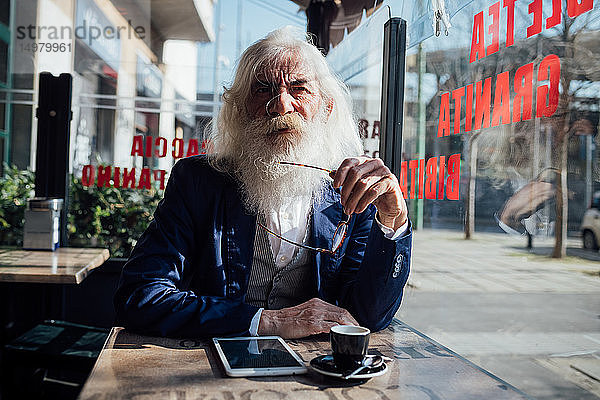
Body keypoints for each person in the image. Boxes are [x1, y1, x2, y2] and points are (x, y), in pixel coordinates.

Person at [114, 27, 412, 339]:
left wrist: (393, 220)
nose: (281, 105)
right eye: (262, 90)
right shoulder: (197, 182)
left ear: (326, 108)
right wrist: (264, 322)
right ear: (240, 110)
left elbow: (367, 317)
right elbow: (140, 296)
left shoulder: (351, 193)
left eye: (298, 89)